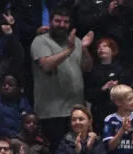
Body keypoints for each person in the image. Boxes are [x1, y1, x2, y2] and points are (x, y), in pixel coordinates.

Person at [31, 7, 93, 145]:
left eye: (66, 22)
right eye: (58, 21)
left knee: (78, 151)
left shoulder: (75, 40)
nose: (62, 25)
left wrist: (84, 48)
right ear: (50, 21)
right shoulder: (40, 41)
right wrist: (69, 50)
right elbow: (46, 65)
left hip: (75, 110)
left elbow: (87, 68)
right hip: (51, 112)